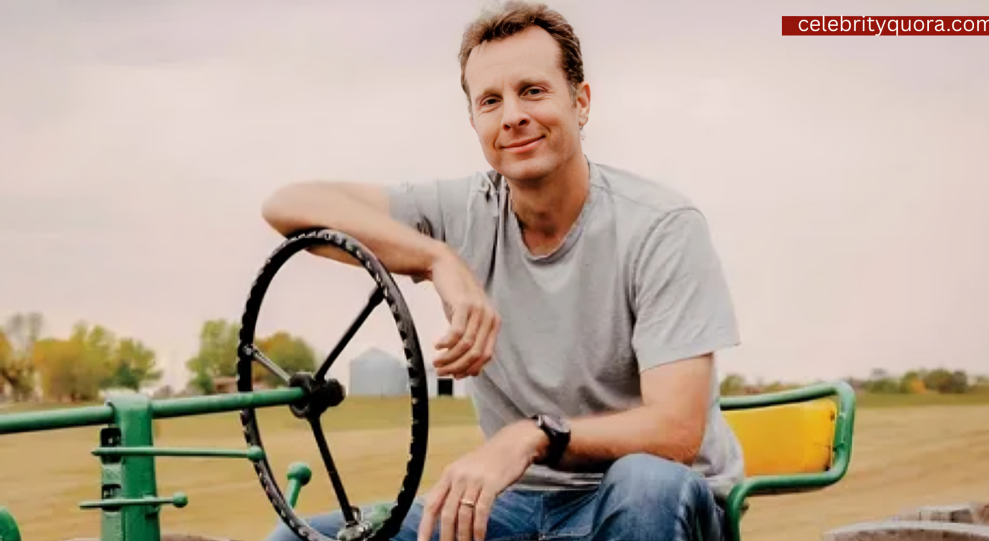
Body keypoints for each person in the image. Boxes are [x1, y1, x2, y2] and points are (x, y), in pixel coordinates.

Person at [260, 1, 745, 540]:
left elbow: (675, 432)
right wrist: (435, 259)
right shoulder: (461, 214)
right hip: (516, 507)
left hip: (656, 503)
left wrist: (533, 437)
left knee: (645, 481)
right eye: (491, 100)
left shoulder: (660, 227)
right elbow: (290, 204)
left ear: (581, 102)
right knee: (301, 539)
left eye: (533, 90)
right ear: (474, 122)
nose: (512, 114)